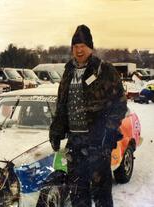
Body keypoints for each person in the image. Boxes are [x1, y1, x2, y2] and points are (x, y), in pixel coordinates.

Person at [49, 25, 127, 207]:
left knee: (101, 196)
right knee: (77, 194)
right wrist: (56, 131)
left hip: (97, 144)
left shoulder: (104, 70)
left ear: (90, 47)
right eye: (75, 45)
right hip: (75, 144)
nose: (79, 49)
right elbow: (62, 106)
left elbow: (120, 104)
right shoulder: (68, 72)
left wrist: (108, 131)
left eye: (83, 45)